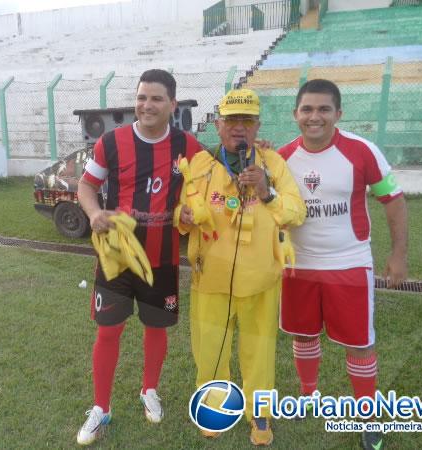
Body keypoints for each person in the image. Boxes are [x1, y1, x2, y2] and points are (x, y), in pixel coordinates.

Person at [278, 79, 408, 450]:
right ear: (295, 114)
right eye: (307, 109)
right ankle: (307, 396)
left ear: (338, 113)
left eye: (323, 109)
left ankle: (366, 416)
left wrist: (398, 255)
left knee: (359, 343)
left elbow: (394, 202)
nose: (314, 117)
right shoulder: (283, 157)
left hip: (349, 265)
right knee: (303, 334)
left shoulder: (362, 151)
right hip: (297, 266)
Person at [75, 69, 201, 446]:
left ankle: (149, 390)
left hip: (162, 259)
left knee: (156, 327)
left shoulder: (188, 146)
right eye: (142, 97)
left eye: (156, 98)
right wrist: (94, 212)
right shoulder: (111, 142)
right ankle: (101, 407)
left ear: (172, 105)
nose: (147, 105)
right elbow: (86, 186)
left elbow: (206, 186)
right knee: (109, 329)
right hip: (117, 256)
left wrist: (191, 209)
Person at [176, 88, 306, 446]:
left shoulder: (273, 164)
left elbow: (296, 212)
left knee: (259, 352)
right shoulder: (201, 165)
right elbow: (183, 215)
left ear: (257, 125)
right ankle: (215, 409)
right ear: (218, 126)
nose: (239, 128)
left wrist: (267, 191)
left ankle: (259, 414)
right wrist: (183, 216)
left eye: (247, 121)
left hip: (261, 279)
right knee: (210, 352)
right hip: (210, 279)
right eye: (231, 120)